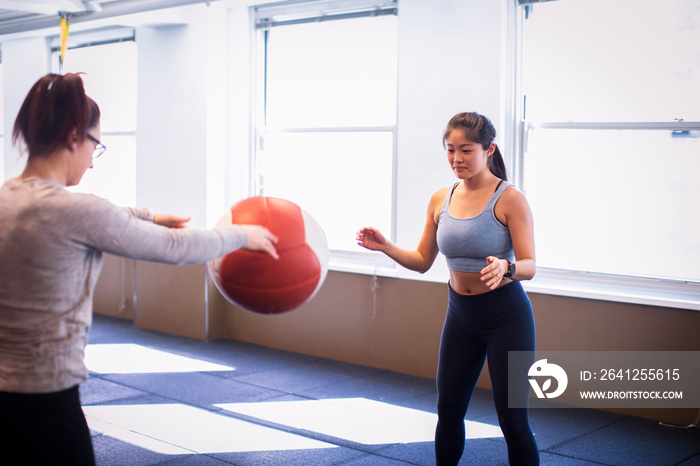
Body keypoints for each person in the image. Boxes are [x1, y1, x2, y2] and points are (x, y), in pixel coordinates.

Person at [0, 73, 278, 465]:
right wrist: (238, 236)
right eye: (96, 146)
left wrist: (147, 215)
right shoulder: (74, 211)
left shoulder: (8, 199)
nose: (92, 163)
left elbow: (96, 216)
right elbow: (173, 248)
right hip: (46, 402)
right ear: (74, 137)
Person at [356, 112, 539, 465]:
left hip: (506, 317)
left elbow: (531, 264)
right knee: (449, 411)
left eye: (466, 150)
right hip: (461, 317)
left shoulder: (510, 199)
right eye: (450, 150)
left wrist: (508, 267)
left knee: (512, 420)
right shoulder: (441, 198)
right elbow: (423, 260)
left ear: (489, 149)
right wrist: (386, 247)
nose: (457, 159)